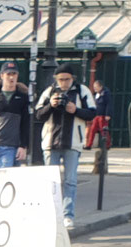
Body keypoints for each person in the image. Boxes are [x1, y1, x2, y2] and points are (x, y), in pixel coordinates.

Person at [33, 66, 97, 229]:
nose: (64, 83)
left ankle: (68, 215)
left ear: (72, 78)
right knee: (51, 182)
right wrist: (51, 105)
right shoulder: (49, 91)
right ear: (56, 79)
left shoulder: (82, 91)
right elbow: (38, 114)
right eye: (60, 79)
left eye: (67, 79)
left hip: (73, 142)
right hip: (50, 142)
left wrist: (75, 110)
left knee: (70, 181)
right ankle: (52, 214)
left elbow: (92, 113)